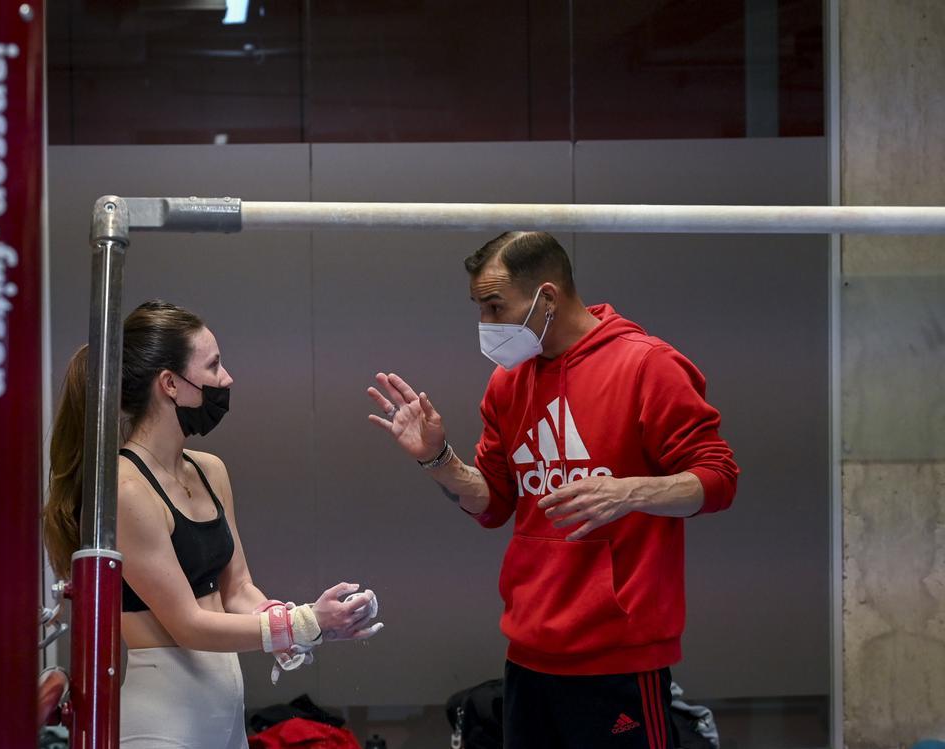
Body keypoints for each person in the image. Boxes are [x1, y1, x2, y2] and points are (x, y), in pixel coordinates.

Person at [366, 232, 738, 749]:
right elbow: (494, 503)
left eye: (496, 307)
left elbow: (718, 480)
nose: (486, 325)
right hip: (530, 653)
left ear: (546, 297)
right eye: (479, 309)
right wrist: (437, 458)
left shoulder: (646, 365)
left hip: (620, 660)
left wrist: (628, 492)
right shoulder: (508, 382)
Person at [45, 300, 382, 749]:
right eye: (214, 365)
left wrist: (307, 627)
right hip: (162, 723)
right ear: (170, 384)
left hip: (225, 718)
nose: (227, 380)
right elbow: (188, 624)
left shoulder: (209, 470)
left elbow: (238, 589)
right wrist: (299, 623)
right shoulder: (126, 491)